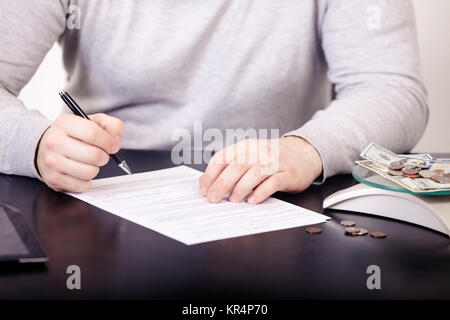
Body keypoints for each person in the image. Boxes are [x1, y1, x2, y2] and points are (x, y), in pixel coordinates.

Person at [0, 0, 428, 204]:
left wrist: (308, 149)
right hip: (99, 188)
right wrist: (34, 144)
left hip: (282, 195)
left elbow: (391, 89)